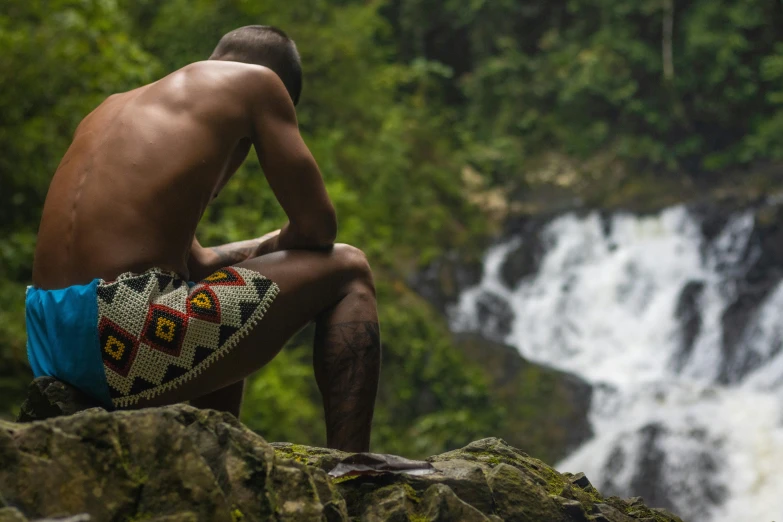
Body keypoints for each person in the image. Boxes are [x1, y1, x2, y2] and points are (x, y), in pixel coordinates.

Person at [25, 25, 381, 452]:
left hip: (50, 341)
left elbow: (204, 264)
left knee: (213, 294)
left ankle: (218, 465)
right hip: (120, 338)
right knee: (349, 266)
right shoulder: (259, 82)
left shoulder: (116, 107)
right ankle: (355, 469)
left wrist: (264, 248)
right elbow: (319, 228)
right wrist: (282, 245)